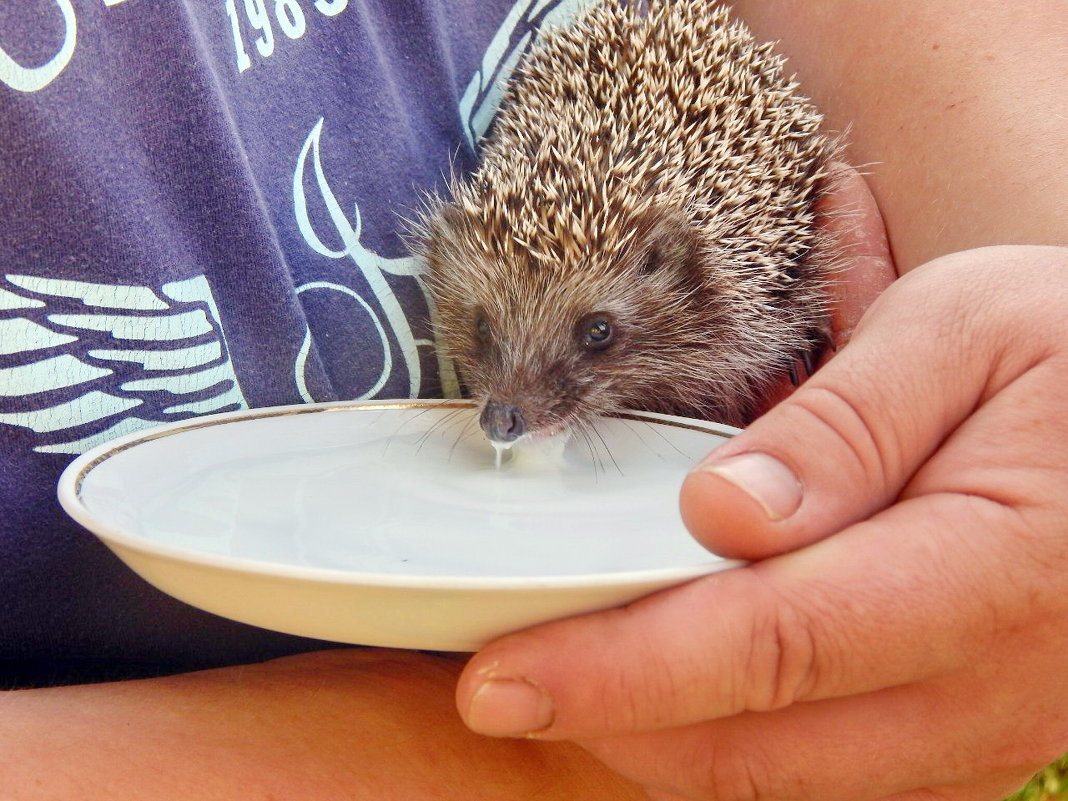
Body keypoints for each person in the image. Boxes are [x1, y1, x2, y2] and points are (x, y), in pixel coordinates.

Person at [1, 3, 1065, 801]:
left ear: (684, 279)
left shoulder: (724, 288)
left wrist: (1034, 279)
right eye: (484, 341)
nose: (506, 406)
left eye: (594, 339)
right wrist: (534, 760)